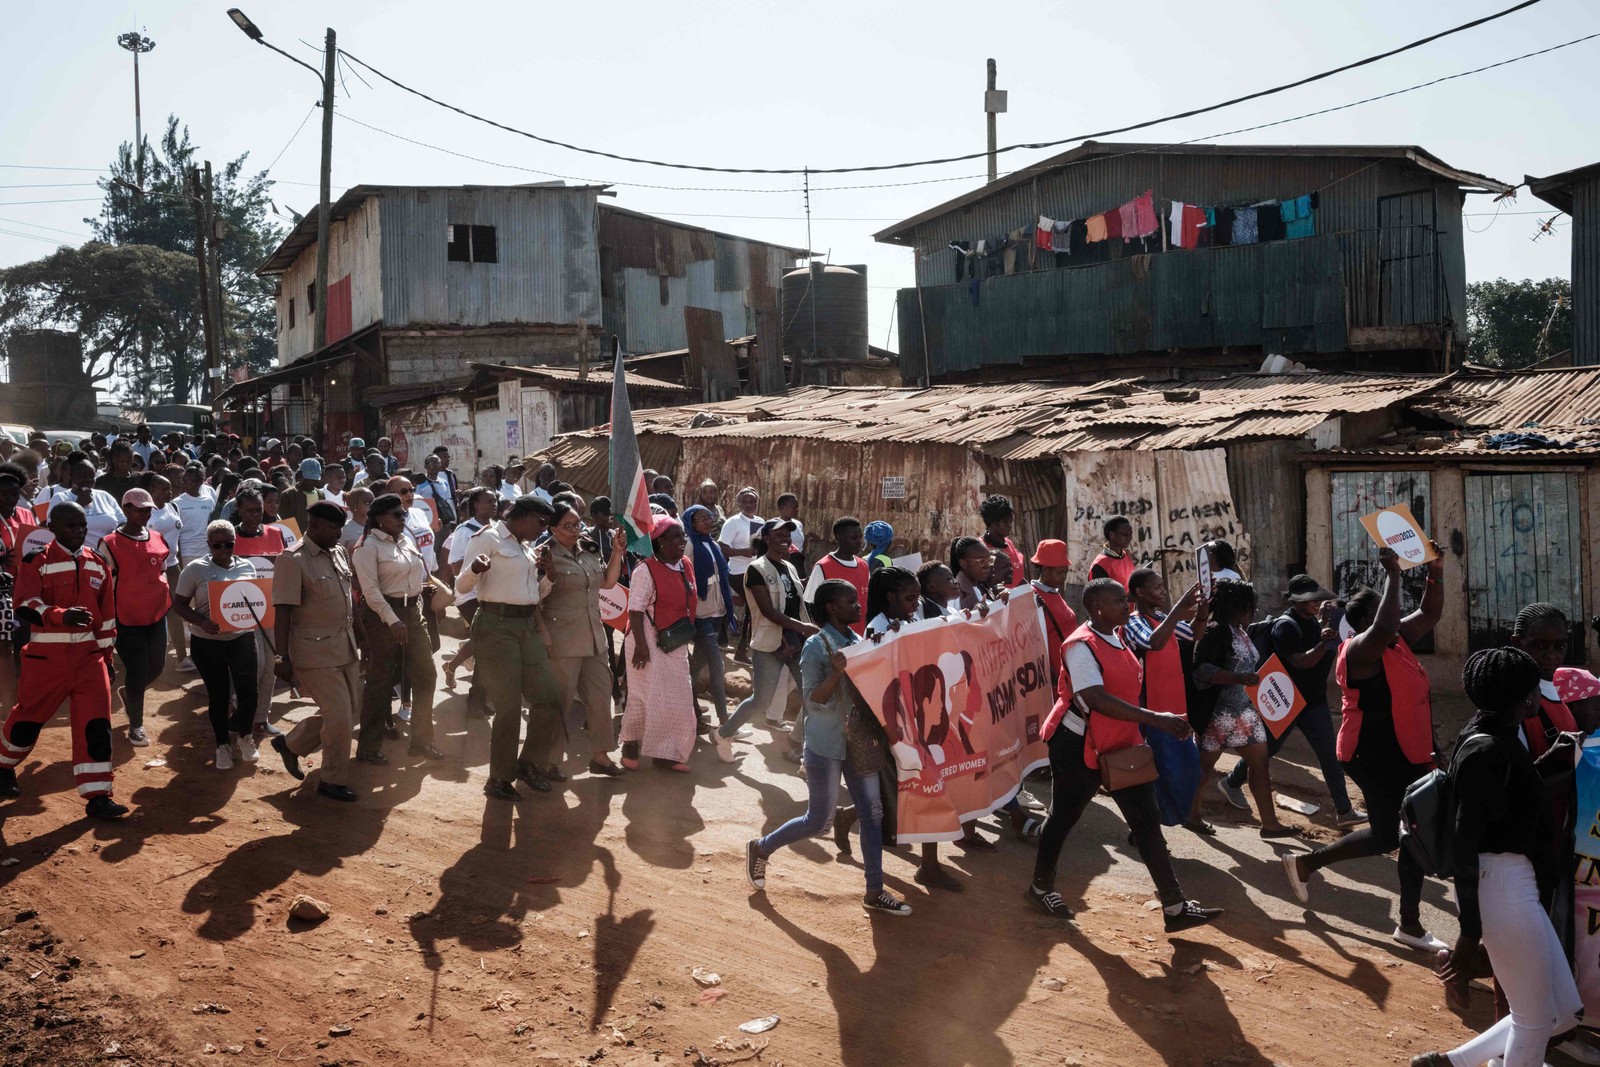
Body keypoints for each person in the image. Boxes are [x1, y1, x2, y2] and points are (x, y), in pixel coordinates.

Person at [1411, 648, 1583, 1067]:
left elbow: (1508, 799)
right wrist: (1470, 935)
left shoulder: (1492, 734)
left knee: (1562, 1014)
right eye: (1533, 692)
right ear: (1524, 700)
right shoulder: (1486, 750)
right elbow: (1467, 844)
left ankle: (1449, 1063)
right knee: (1536, 1020)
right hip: (1501, 887)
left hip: (1514, 885)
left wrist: (1551, 759)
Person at [1027, 578, 1222, 932]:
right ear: (1098, 607)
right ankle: (1040, 887)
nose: (1127, 604)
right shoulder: (1079, 645)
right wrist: (1155, 719)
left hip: (1120, 741)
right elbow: (1095, 698)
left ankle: (1175, 906)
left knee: (1147, 821)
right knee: (1064, 817)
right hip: (1077, 745)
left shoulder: (1116, 636)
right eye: (1119, 600)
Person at [1282, 543, 1450, 954]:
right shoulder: (1359, 650)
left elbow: (1428, 614)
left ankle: (1404, 920)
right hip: (1370, 754)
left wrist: (1435, 571)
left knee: (1402, 833)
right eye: (1384, 613)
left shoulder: (1398, 640)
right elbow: (1386, 623)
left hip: (1407, 751)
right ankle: (1311, 866)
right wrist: (1393, 575)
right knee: (1396, 834)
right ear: (1363, 622)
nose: (1396, 617)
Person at [745, 579, 912, 917]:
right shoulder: (816, 647)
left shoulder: (856, 641)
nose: (858, 605)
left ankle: (874, 890)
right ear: (832, 608)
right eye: (850, 601)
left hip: (859, 740)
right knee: (819, 819)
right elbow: (811, 700)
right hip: (825, 743)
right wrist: (836, 675)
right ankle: (761, 848)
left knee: (873, 813)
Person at [0, 503, 127, 818]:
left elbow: (107, 619)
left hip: (89, 659)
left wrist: (107, 659)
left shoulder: (98, 564)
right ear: (52, 527)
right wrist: (61, 615)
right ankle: (3, 765)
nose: (79, 531)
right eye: (71, 526)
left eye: (82, 525)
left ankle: (98, 796)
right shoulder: (36, 561)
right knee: (27, 723)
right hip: (47, 660)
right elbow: (24, 605)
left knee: (96, 726)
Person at [1220, 574, 1366, 828]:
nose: (1315, 603)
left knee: (1330, 756)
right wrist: (1324, 643)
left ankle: (1344, 811)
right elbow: (1301, 661)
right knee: (1267, 750)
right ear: (1296, 602)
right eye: (1309, 600)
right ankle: (1232, 781)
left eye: (1317, 598)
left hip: (1313, 702)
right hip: (1285, 703)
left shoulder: (1316, 623)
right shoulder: (1285, 626)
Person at [459, 495, 561, 796]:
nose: (543, 530)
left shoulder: (526, 546)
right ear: (525, 516)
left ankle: (528, 763)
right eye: (541, 523)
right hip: (495, 626)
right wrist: (475, 570)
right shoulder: (487, 538)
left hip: (526, 625)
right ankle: (499, 778)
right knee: (509, 706)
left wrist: (550, 575)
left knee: (547, 698)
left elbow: (532, 594)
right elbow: (461, 588)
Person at [1184, 578, 1294, 837]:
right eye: (1249, 605)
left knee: (1260, 765)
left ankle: (1269, 824)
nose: (1252, 610)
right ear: (1236, 605)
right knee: (1203, 768)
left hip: (1245, 713)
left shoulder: (1240, 631)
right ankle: (1191, 815)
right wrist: (1238, 678)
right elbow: (1200, 670)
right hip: (1218, 715)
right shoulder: (1216, 630)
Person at [268, 502, 360, 803]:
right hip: (313, 651)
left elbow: (348, 601)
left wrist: (363, 641)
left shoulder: (338, 553)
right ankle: (331, 780)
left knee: (349, 713)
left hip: (344, 647)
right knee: (340, 717)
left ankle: (291, 744)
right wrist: (281, 657)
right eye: (334, 528)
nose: (339, 533)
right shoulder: (292, 559)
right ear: (315, 524)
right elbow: (282, 610)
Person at [352, 493, 443, 765]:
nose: (404, 518)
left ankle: (422, 741)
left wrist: (423, 590)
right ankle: (368, 747)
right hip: (382, 618)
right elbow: (370, 591)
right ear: (380, 518)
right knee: (379, 682)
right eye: (397, 514)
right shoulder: (367, 548)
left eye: (404, 514)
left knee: (426, 675)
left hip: (413, 612)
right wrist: (392, 620)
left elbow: (412, 575)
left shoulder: (405, 540)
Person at [539, 500, 628, 778]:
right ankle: (549, 761)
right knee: (561, 702)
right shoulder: (544, 555)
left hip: (594, 636)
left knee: (601, 696)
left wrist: (617, 552)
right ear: (552, 528)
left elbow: (608, 583)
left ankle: (600, 757)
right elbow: (534, 597)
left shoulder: (589, 549)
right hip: (562, 639)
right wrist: (543, 633)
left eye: (577, 524)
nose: (575, 530)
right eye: (567, 526)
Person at [715, 518, 813, 763]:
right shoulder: (756, 568)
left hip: (794, 641)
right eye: (779, 534)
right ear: (766, 537)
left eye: (788, 535)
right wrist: (803, 627)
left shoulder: (789, 567)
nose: (785, 539)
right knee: (760, 701)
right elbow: (768, 610)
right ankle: (723, 734)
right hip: (770, 643)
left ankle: (798, 745)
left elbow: (796, 602)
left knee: (812, 695)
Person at [619, 515, 700, 773]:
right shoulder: (646, 569)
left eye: (682, 536)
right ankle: (631, 745)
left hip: (673, 640)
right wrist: (642, 646)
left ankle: (665, 753)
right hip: (646, 639)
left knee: (678, 698)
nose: (682, 541)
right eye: (676, 537)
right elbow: (635, 609)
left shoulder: (685, 565)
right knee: (645, 694)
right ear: (660, 541)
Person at [97, 488, 173, 747]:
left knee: (157, 666)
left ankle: (130, 693)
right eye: (139, 509)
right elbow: (103, 583)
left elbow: (161, 571)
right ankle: (136, 725)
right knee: (138, 667)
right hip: (125, 617)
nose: (144, 514)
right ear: (126, 509)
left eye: (148, 509)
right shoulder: (109, 543)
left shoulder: (158, 538)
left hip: (156, 613)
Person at [231, 488, 291, 739]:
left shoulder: (276, 533)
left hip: (271, 609)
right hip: (241, 613)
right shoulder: (230, 536)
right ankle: (240, 703)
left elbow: (286, 569)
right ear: (239, 510)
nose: (256, 514)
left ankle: (261, 718)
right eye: (249, 510)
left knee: (271, 667)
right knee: (255, 666)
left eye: (259, 509)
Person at [443, 486, 497, 711]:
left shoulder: (498, 530)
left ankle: (452, 665)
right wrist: (477, 567)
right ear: (475, 505)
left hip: (491, 594)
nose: (493, 505)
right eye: (488, 502)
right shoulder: (465, 531)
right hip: (469, 595)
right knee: (487, 642)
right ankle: (479, 697)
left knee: (484, 641)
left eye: (495, 502)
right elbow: (455, 567)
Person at [683, 504, 735, 734]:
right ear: (691, 522)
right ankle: (725, 722)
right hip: (701, 614)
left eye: (709, 517)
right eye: (701, 518)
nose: (707, 521)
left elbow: (722, 576)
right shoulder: (690, 544)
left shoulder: (712, 544)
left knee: (696, 668)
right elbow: (685, 575)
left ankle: (682, 706)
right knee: (717, 665)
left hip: (717, 612)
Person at [0, 462, 39, 713]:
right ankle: (8, 702)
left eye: (15, 493)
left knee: (25, 645)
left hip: (25, 587)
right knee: (4, 647)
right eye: (5, 494)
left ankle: (24, 697)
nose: (11, 499)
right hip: (1, 592)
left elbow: (36, 543)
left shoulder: (27, 514)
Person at [801, 516, 869, 634]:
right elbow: (811, 605)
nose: (859, 541)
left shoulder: (864, 566)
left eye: (860, 537)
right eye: (854, 538)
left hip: (860, 640)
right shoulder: (823, 566)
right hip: (834, 641)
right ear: (839, 537)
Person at [718, 487, 764, 661]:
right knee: (753, 608)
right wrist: (743, 552)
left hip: (755, 570)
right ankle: (742, 650)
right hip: (737, 572)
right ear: (738, 503)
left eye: (752, 501)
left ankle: (743, 649)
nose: (749, 505)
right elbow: (723, 548)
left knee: (752, 610)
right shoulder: (733, 522)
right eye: (744, 502)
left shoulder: (760, 521)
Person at [50, 451, 123, 552]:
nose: (88, 480)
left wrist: (113, 538)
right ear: (72, 475)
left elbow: (123, 522)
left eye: (92, 476)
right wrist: (79, 503)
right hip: (79, 557)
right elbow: (55, 527)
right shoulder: (61, 498)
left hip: (110, 556)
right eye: (82, 476)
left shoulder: (105, 496)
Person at [979, 494, 1027, 589]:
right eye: (1005, 522)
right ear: (992, 522)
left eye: (1010, 521)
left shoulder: (1009, 544)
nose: (1009, 525)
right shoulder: (980, 548)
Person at [951, 536, 998, 610]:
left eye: (989, 560)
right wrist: (974, 614)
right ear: (963, 563)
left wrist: (1000, 602)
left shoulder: (981, 588)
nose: (987, 566)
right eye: (981, 561)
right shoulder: (954, 593)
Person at [1088, 517, 1137, 588]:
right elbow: (1101, 595)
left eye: (1130, 534)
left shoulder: (1126, 554)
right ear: (1111, 534)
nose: (1130, 538)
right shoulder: (1100, 564)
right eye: (1125, 535)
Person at [341, 487, 372, 553]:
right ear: (354, 505)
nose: (372, 505)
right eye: (367, 502)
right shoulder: (344, 530)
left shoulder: (380, 527)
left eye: (374, 501)